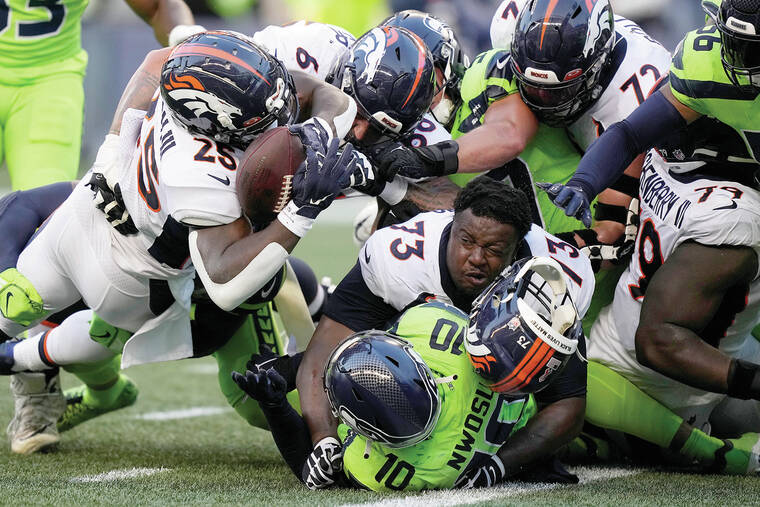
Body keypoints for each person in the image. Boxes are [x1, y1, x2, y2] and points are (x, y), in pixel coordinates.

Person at [0, 30, 362, 449]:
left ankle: (27, 360)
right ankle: (24, 361)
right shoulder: (200, 178)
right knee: (46, 316)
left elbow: (153, 63)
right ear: (214, 121)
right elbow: (226, 283)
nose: (279, 120)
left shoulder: (193, 79)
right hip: (119, 269)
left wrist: (114, 143)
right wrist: (300, 213)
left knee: (59, 323)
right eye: (261, 120)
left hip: (100, 241)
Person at [368, 0, 670, 332]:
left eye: (424, 79)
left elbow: (510, 135)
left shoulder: (485, 75)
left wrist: (426, 160)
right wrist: (390, 189)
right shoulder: (514, 42)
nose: (540, 98)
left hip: (576, 263)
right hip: (506, 275)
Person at [295, 178, 595, 489]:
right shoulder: (399, 260)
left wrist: (498, 466)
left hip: (499, 406)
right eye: (466, 241)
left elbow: (568, 403)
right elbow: (323, 357)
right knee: (306, 379)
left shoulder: (550, 282)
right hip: (403, 380)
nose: (476, 258)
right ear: (452, 227)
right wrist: (324, 439)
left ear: (516, 249)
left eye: (493, 249)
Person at [1, 0, 201, 455]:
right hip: (45, 78)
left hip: (45, 82)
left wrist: (190, 44)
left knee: (42, 245)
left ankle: (37, 396)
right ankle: (105, 387)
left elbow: (160, 6)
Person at [232, 299, 539, 491]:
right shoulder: (432, 327)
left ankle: (317, 302)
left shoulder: (384, 472)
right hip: (537, 403)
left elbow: (310, 469)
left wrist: (275, 407)